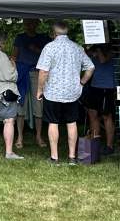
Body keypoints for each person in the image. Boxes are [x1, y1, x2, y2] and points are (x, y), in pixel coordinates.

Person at [36, 21, 95, 165]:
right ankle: (72, 157)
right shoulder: (77, 48)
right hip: (72, 92)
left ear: (53, 33)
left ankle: (54, 157)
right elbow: (91, 67)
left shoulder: (49, 47)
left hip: (53, 92)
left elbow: (43, 72)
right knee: (71, 122)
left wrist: (39, 90)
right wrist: (82, 82)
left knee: (53, 122)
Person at [12, 18, 49, 149]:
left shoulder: (43, 38)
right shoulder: (20, 38)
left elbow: (48, 56)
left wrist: (36, 49)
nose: (29, 26)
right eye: (27, 23)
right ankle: (20, 137)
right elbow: (14, 57)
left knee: (38, 105)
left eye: (32, 23)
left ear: (37, 24)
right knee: (21, 105)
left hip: (37, 73)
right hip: (22, 73)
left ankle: (39, 136)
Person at [85, 45, 117, 155]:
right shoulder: (93, 50)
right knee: (92, 114)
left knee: (106, 116)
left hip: (107, 87)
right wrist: (88, 49)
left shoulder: (112, 50)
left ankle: (109, 146)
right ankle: (95, 142)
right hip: (94, 86)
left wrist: (98, 49)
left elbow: (103, 60)